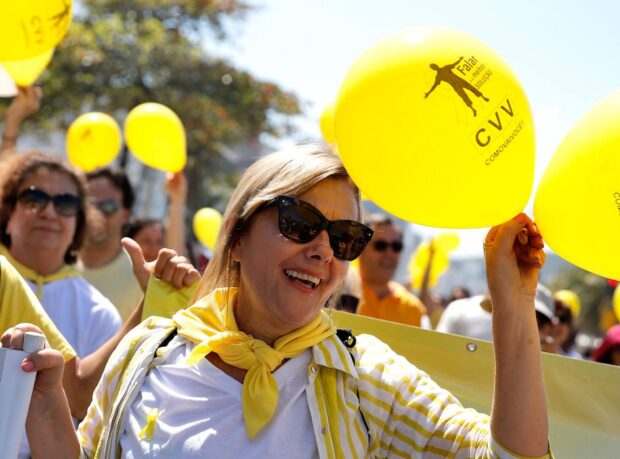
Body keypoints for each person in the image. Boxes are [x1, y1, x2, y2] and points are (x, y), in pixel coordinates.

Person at [6, 145, 551, 458]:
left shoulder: (366, 378)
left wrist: (513, 301)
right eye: (299, 223)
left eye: (344, 238)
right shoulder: (147, 353)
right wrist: (46, 406)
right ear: (237, 238)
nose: (321, 250)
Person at [0, 153, 121, 359]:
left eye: (65, 203)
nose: (49, 213)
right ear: (8, 213)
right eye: (34, 200)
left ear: (79, 224)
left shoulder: (99, 314)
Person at [79, 168, 144, 320]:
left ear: (125, 215)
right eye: (90, 205)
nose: (96, 214)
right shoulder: (55, 267)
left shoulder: (139, 279)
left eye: (108, 207)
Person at [355, 214, 429, 327]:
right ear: (360, 248)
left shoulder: (413, 309)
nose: (389, 254)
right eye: (380, 245)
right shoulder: (337, 293)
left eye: (396, 246)